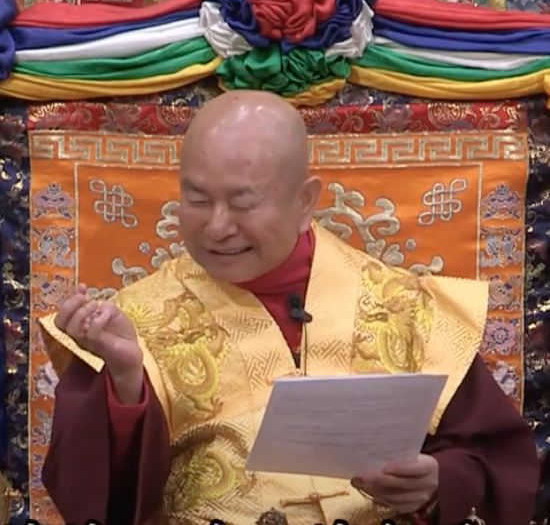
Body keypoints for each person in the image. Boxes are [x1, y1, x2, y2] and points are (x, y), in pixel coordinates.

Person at [39, 90, 539, 525]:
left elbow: (497, 462)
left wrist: (438, 483)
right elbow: (93, 500)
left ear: (305, 201)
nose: (217, 227)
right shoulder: (130, 325)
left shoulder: (404, 306)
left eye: (243, 203)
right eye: (197, 200)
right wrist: (125, 385)